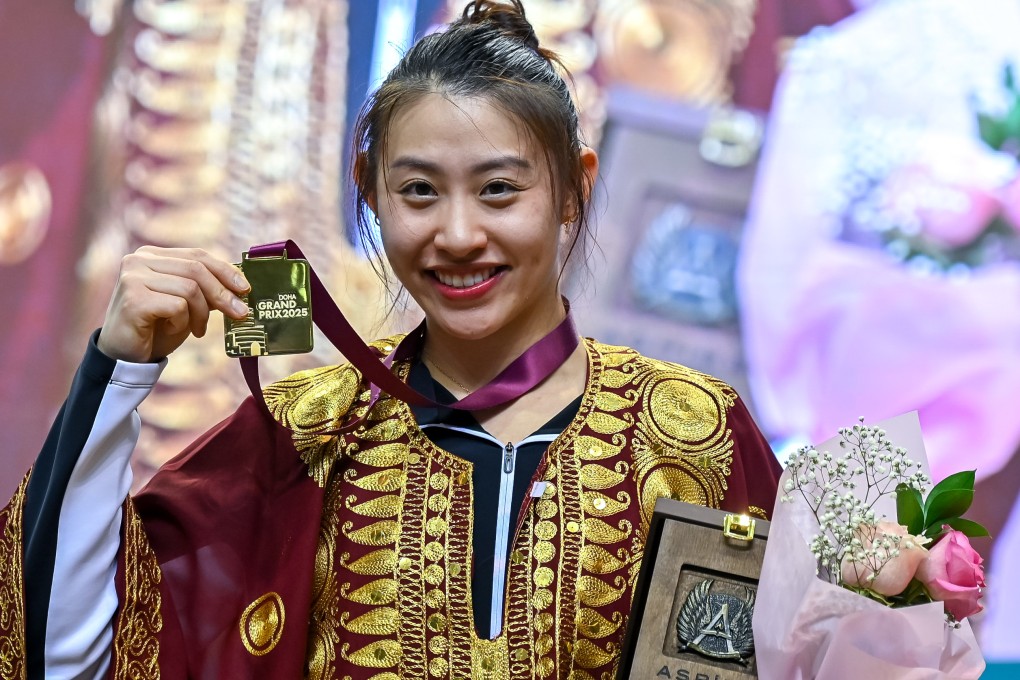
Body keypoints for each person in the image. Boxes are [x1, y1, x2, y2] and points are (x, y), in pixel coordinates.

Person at [0, 2, 781, 678]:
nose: (460, 234)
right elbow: (64, 658)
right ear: (371, 191)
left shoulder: (693, 433)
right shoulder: (300, 439)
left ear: (575, 187)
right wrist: (120, 371)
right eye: (418, 192)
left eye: (500, 189)